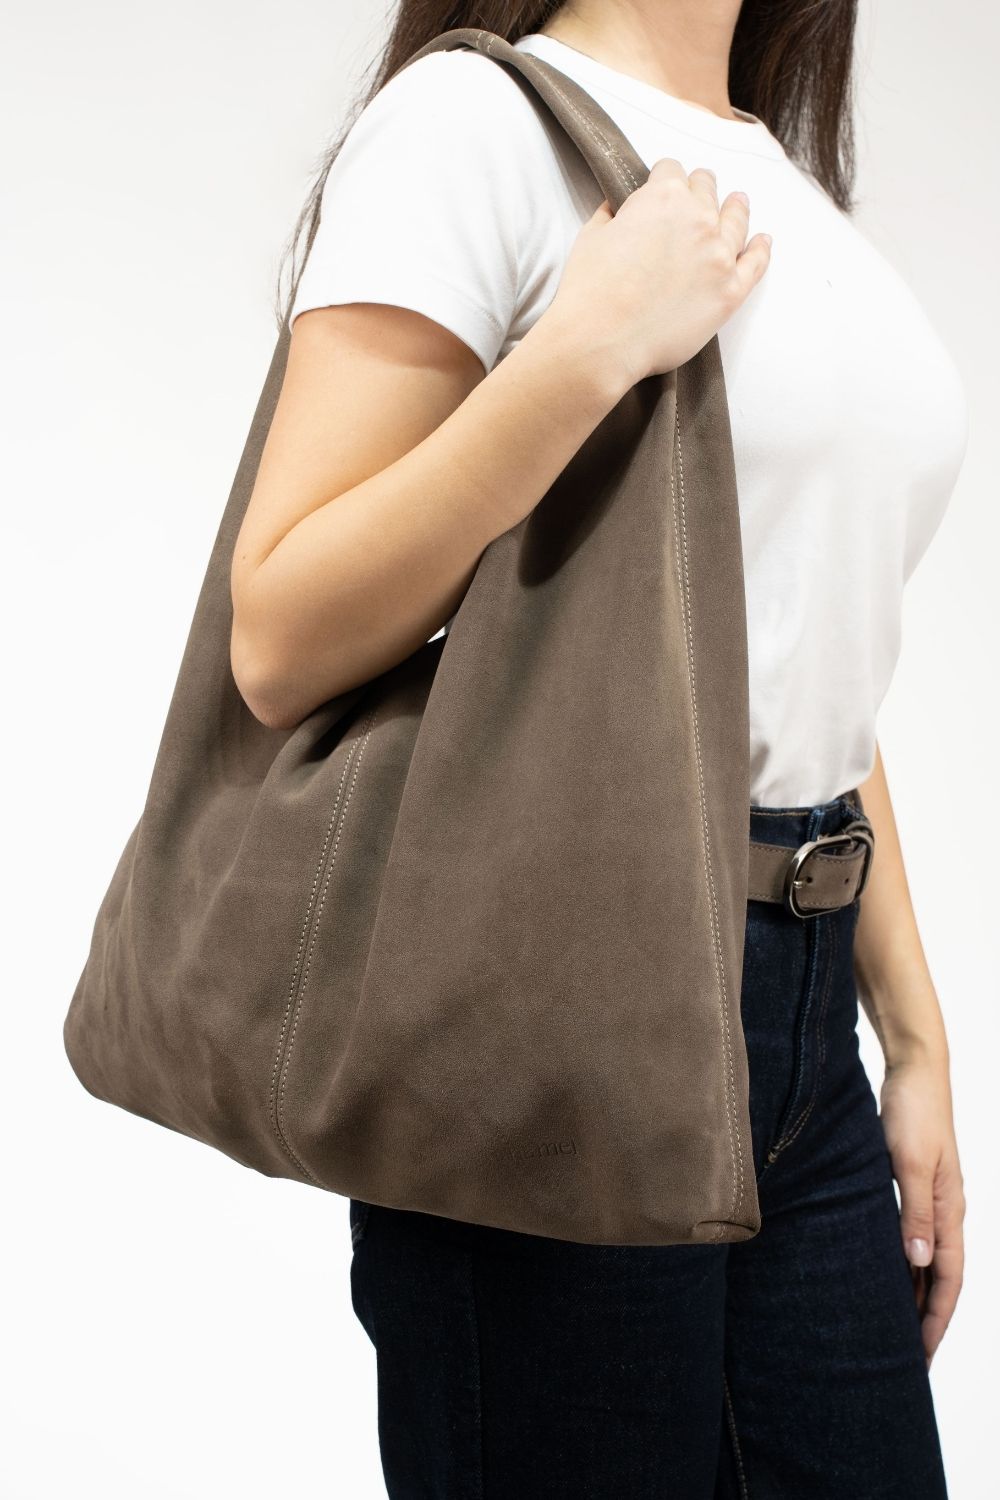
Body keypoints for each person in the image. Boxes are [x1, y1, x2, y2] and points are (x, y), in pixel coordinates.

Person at [229, 2, 968, 1494]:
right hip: (558, 997)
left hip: (803, 1029)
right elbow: (280, 634)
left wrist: (914, 1036)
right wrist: (580, 353)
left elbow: (794, 652)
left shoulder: (780, 181)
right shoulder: (475, 125)